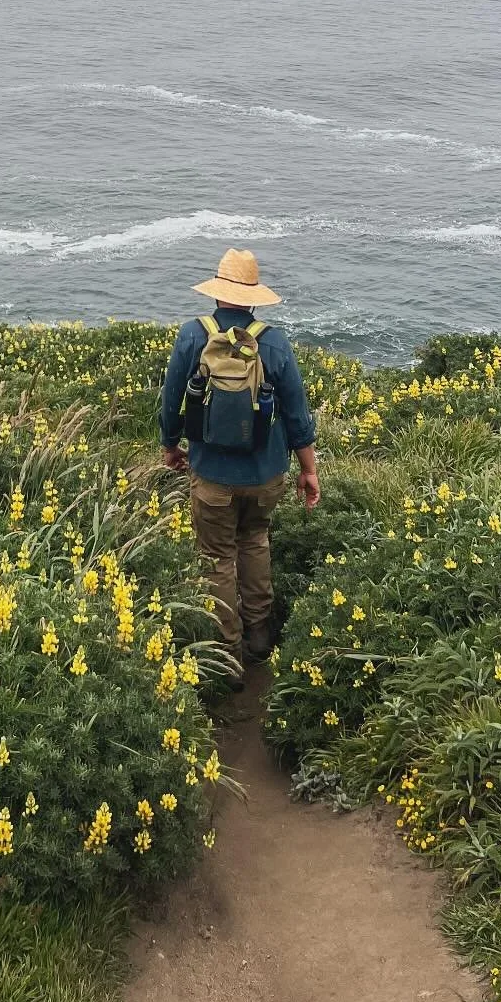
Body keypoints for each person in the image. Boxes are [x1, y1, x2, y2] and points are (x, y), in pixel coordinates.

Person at [159, 248, 319, 689]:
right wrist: (309, 471)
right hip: (266, 474)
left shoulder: (194, 336)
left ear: (217, 291)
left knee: (217, 558)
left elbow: (171, 403)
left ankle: (228, 655)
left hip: (212, 476)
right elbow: (297, 415)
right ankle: (261, 635)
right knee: (255, 541)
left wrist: (171, 446)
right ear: (253, 298)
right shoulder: (274, 341)